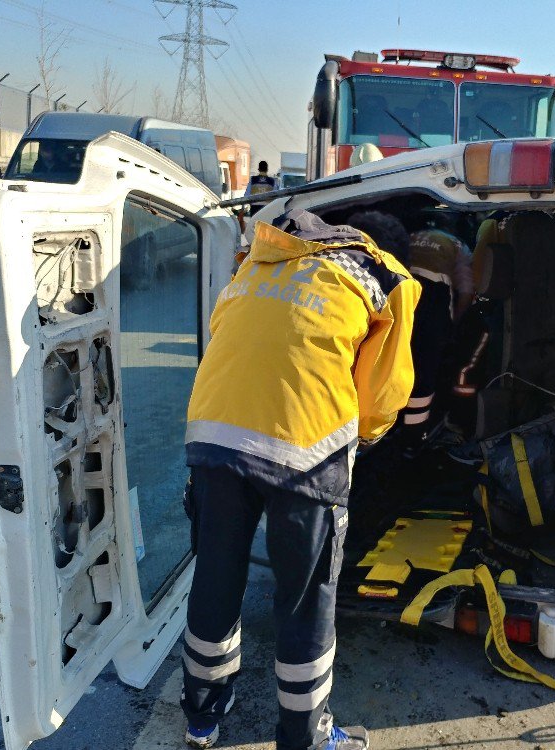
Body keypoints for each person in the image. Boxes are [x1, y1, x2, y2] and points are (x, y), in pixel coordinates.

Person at [180, 209, 420, 750]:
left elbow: (227, 335)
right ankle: (306, 737)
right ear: (382, 248)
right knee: (305, 599)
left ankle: (201, 718)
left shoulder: (260, 262)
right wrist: (367, 441)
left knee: (216, 577)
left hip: (213, 436)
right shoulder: (384, 277)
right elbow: (382, 397)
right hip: (305, 448)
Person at [398, 228, 474, 445]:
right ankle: (413, 438)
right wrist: (454, 327)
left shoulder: (412, 235)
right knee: (424, 372)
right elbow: (467, 292)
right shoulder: (459, 246)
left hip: (397, 290)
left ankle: (379, 427)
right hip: (431, 299)